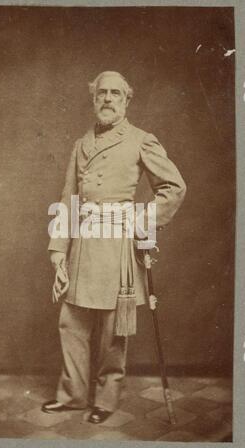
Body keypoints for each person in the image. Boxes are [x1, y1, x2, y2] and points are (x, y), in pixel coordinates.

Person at [42, 71, 186, 424]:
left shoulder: (140, 140)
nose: (107, 99)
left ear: (126, 100)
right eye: (101, 93)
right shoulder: (81, 144)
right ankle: (74, 395)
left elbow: (174, 187)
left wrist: (141, 222)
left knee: (111, 328)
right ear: (93, 100)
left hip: (117, 246)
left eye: (115, 93)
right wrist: (59, 249)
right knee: (71, 323)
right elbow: (69, 197)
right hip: (82, 245)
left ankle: (105, 397)